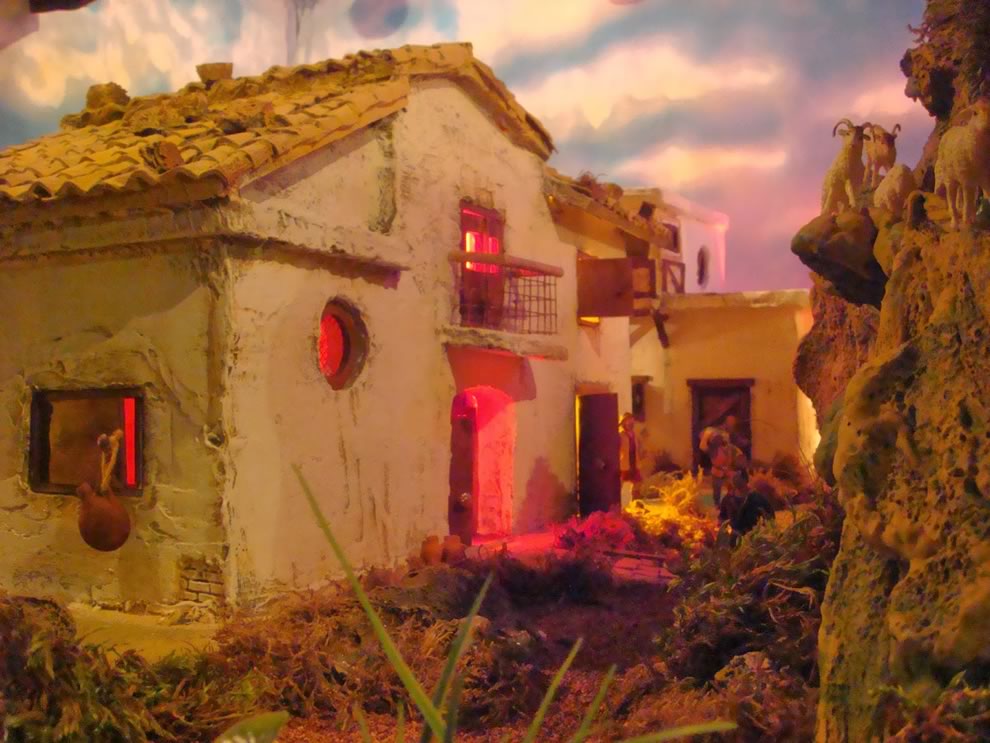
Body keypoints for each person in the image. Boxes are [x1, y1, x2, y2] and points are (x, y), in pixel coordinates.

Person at [708, 431, 747, 507]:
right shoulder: (713, 449)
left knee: (731, 487)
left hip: (727, 471)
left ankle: (732, 502)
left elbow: (736, 457)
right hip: (717, 472)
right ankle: (717, 504)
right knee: (717, 489)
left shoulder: (728, 449)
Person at [618, 413, 642, 498]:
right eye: (628, 421)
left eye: (631, 421)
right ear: (624, 423)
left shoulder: (635, 435)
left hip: (634, 462)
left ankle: (634, 500)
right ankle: (616, 502)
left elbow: (637, 447)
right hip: (624, 463)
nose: (630, 423)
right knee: (619, 484)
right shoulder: (620, 435)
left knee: (638, 482)